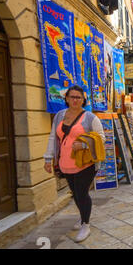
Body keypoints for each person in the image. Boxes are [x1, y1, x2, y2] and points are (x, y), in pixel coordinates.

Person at [43, 85, 106, 242]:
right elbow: (53, 137)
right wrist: (48, 158)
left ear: (83, 99)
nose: (75, 100)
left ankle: (86, 224)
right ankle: (83, 216)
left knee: (82, 193)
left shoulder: (90, 118)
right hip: (65, 163)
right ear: (67, 98)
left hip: (85, 163)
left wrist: (84, 145)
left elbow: (101, 138)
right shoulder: (59, 116)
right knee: (75, 193)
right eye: (72, 97)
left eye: (79, 97)